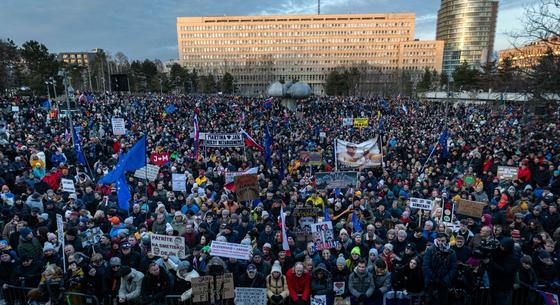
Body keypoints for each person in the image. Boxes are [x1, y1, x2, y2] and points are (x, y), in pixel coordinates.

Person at [422, 232, 456, 305]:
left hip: (444, 282)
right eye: (439, 240)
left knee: (442, 301)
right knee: (429, 301)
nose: (440, 242)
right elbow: (425, 266)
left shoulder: (452, 252)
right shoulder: (430, 250)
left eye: (443, 241)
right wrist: (435, 277)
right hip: (431, 281)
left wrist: (446, 279)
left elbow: (453, 268)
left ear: (446, 241)